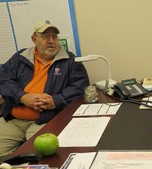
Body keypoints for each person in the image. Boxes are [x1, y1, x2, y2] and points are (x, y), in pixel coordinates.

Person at [0, 20, 90, 157]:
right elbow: (3, 79)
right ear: (34, 39)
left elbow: (80, 87)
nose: (51, 41)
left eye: (54, 36)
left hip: (44, 120)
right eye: (45, 36)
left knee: (39, 156)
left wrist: (56, 100)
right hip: (12, 119)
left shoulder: (70, 60)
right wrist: (22, 97)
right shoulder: (21, 57)